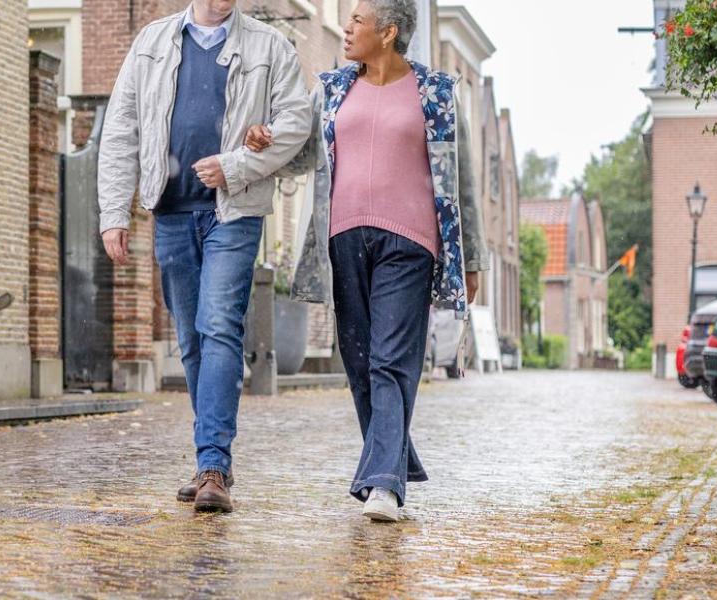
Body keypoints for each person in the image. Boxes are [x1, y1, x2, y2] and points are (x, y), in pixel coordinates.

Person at [263, 0, 485, 522]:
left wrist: (470, 258)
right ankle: (392, 460)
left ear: (387, 33)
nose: (346, 27)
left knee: (390, 359)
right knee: (360, 360)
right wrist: (266, 137)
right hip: (343, 239)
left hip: (410, 243)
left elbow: (462, 182)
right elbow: (302, 152)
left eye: (358, 20)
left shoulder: (437, 93)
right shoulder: (334, 89)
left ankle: (384, 485)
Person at [97, 0, 317, 513]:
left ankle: (213, 463)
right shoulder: (151, 42)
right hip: (171, 211)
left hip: (234, 211)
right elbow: (122, 128)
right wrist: (114, 211)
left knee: (219, 325)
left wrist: (237, 164)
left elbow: (295, 121)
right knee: (191, 337)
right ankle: (208, 458)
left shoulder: (269, 45)